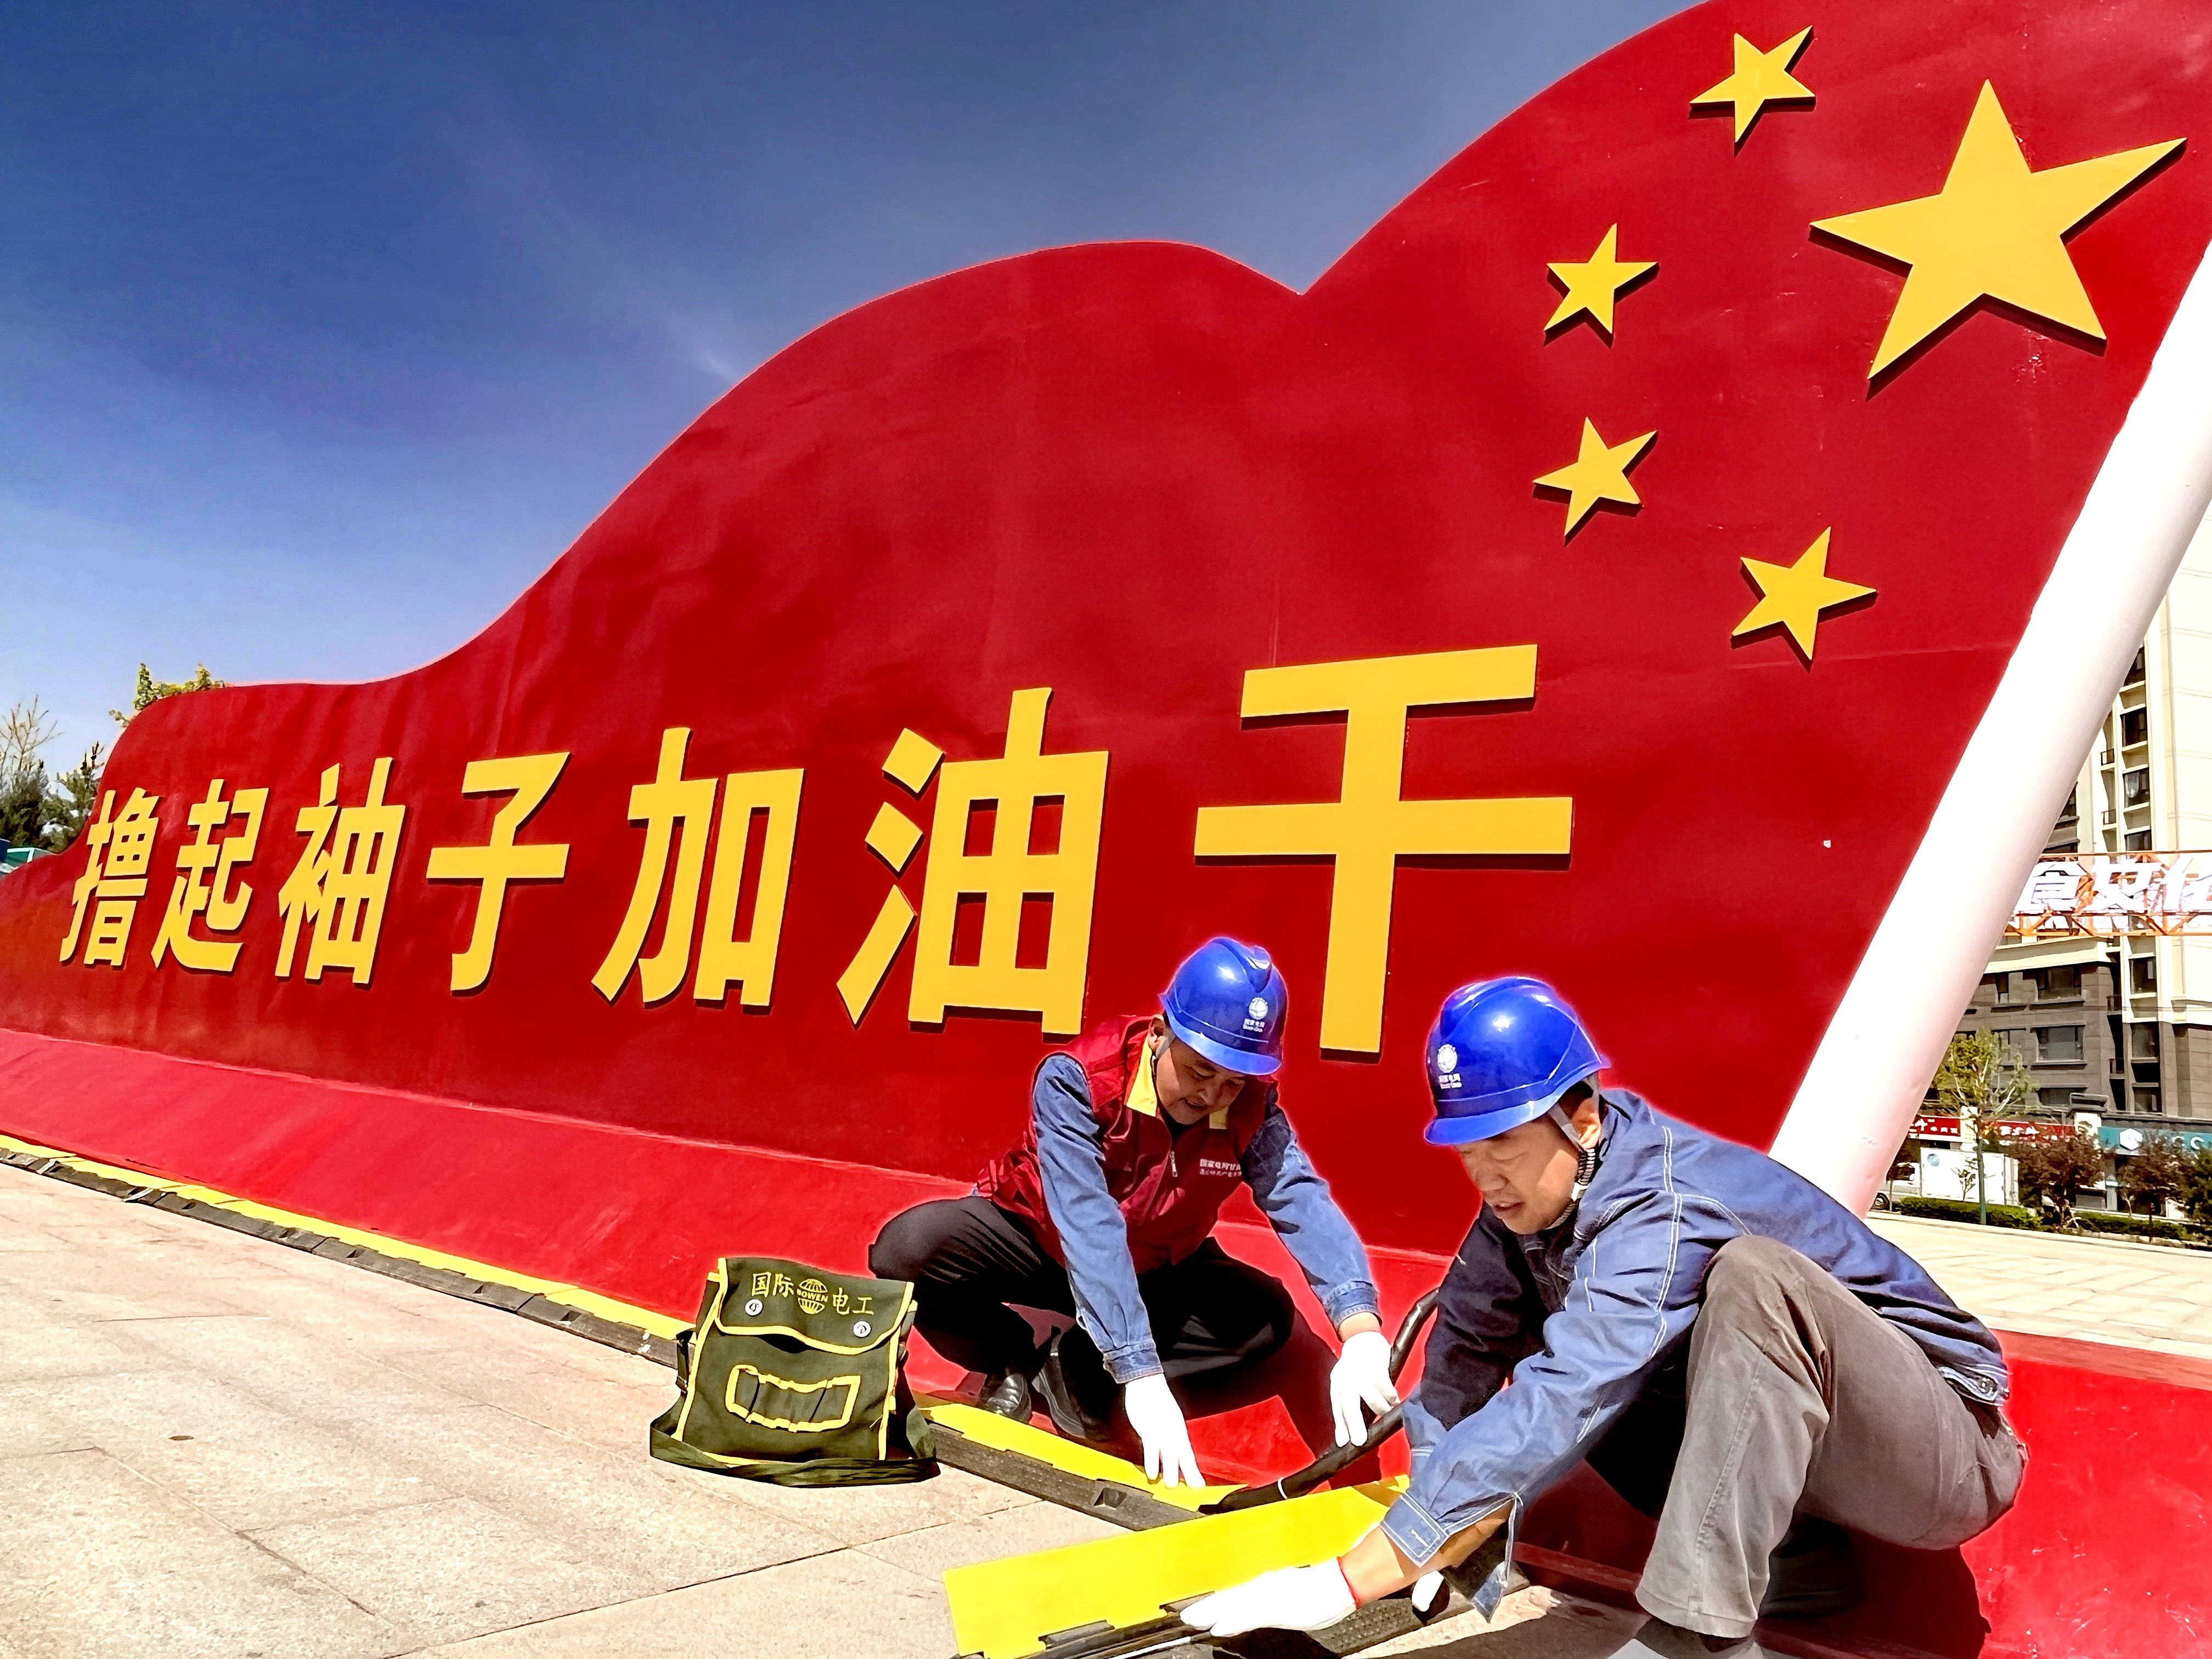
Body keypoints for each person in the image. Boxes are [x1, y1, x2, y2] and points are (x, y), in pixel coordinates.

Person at [1183, 977, 2022, 1658]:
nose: (1487, 1177)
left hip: (1944, 1453)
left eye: (1504, 1147)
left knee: (1747, 1284)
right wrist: (1439, 1532)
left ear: (1580, 1119)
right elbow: (1461, 1359)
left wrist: (1347, 1581)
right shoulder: (1530, 1203)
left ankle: (1699, 1633)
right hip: (1818, 1461)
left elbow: (1569, 1390)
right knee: (1577, 1336)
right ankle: (1796, 1566)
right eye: (1469, 1153)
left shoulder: (1661, 1202)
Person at [870, 937, 1396, 1486]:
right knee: (909, 1251)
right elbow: (1087, 1221)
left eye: (1232, 1082)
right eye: (1199, 1072)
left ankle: (1075, 1372)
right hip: (1040, 1242)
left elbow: (1300, 1198)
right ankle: (1010, 1359)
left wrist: (1360, 1327)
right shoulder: (1077, 1079)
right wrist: (1138, 1368)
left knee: (1264, 1316)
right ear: (1161, 1034)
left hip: (1156, 1269)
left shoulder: (1252, 1107)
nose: (1212, 1096)